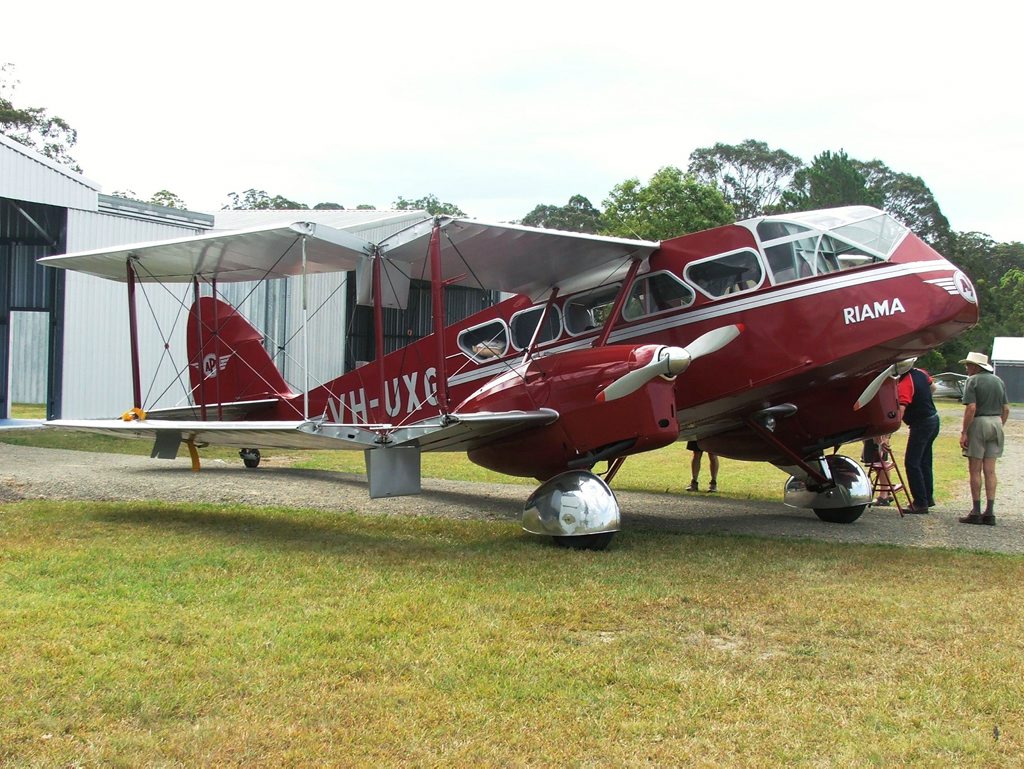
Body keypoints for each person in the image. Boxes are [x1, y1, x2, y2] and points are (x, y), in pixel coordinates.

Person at [958, 352, 1010, 525]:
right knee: (990, 470)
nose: (967, 368)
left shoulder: (972, 381)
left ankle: (976, 510)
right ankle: (990, 511)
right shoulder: (998, 380)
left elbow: (971, 408)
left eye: (968, 365)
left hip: (979, 422)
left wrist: (964, 431)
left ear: (976, 366)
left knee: (975, 469)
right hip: (996, 421)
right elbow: (1006, 409)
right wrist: (999, 424)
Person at [896, 365, 940, 513]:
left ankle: (920, 502)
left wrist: (887, 434)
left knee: (912, 462)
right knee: (924, 461)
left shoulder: (905, 383)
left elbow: (901, 409)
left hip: (921, 423)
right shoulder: (921, 372)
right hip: (933, 418)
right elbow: (933, 388)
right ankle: (928, 497)